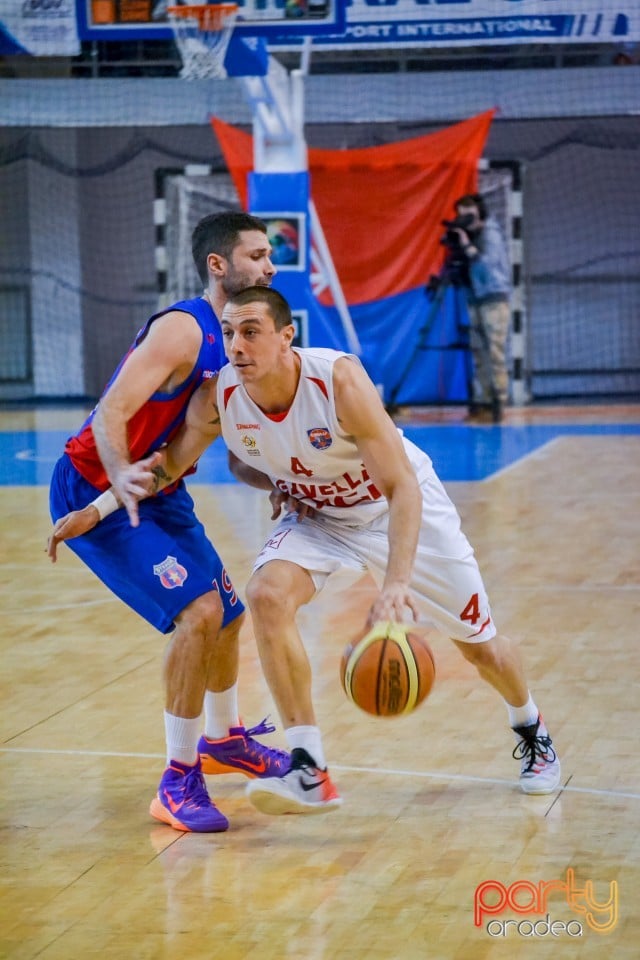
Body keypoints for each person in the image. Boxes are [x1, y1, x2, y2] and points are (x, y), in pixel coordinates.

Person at [51, 285, 561, 817]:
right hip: (320, 518)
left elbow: (402, 488)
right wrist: (99, 509)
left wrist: (396, 587)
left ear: (286, 337)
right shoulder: (219, 397)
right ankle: (308, 767)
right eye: (228, 334)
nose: (237, 346)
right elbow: (166, 466)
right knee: (266, 594)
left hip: (397, 512)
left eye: (250, 333)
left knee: (480, 648)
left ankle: (531, 727)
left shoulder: (337, 380)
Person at [47, 212, 290, 834]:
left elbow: (230, 451)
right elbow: (112, 412)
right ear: (219, 265)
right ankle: (176, 781)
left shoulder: (237, 344)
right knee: (199, 614)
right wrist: (115, 482)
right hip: (101, 482)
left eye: (269, 257)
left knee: (229, 614)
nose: (269, 266)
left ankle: (224, 739)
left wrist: (284, 482)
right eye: (258, 255)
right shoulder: (184, 331)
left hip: (160, 486)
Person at [449, 193, 512, 424]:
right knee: (478, 353)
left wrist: (467, 245)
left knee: (495, 352)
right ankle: (484, 401)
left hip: (494, 298)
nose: (467, 221)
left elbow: (486, 265)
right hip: (475, 299)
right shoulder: (473, 236)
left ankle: (498, 404)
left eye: (470, 216)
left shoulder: (490, 235)